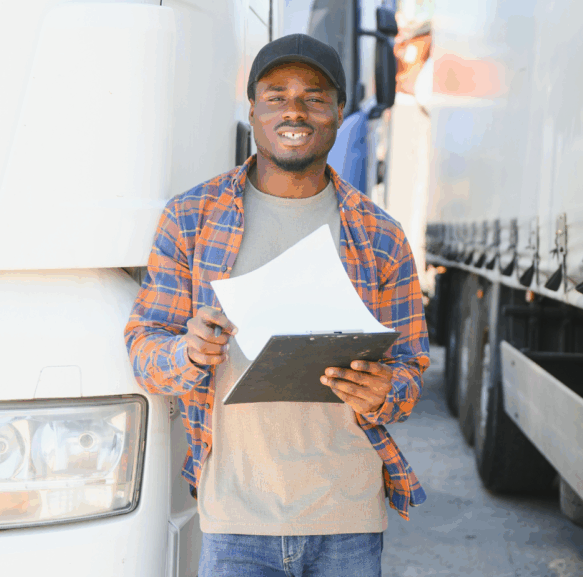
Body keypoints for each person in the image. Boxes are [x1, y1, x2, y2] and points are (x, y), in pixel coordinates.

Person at [124, 34, 429, 576]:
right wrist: (187, 352)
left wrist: (386, 392)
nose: (294, 110)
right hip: (235, 519)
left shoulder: (381, 237)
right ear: (253, 111)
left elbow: (410, 370)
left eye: (314, 97)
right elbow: (145, 346)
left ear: (338, 112)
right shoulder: (191, 219)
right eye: (275, 95)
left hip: (347, 518)